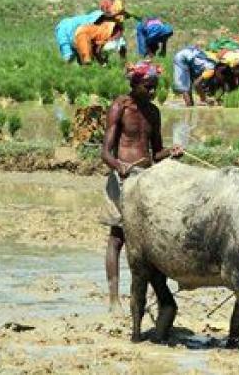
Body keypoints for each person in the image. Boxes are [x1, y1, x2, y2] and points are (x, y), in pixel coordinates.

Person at [99, 61, 184, 311]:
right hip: (123, 177)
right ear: (134, 85)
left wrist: (171, 151)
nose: (152, 92)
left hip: (146, 178)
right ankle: (114, 298)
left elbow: (156, 152)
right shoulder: (120, 108)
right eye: (148, 87)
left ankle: (149, 294)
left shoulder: (154, 112)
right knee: (118, 237)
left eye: (154, 88)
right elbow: (105, 152)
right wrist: (118, 165)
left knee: (149, 238)